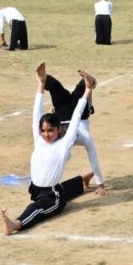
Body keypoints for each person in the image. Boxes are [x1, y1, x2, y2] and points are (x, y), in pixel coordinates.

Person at [0, 64, 96, 235]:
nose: (46, 134)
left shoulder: (64, 143)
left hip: (52, 197)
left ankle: (15, 224)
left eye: (50, 130)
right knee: (56, 190)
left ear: (59, 130)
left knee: (37, 208)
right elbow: (36, 114)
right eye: (43, 131)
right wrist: (41, 84)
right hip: (36, 189)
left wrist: (87, 91)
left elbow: (75, 118)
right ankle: (82, 181)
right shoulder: (39, 140)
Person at [41, 64, 106, 196]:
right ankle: (42, 77)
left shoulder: (84, 136)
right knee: (78, 84)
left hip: (64, 112)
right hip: (77, 112)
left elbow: (93, 156)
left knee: (58, 87)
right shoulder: (58, 138)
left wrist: (100, 185)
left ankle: (89, 79)